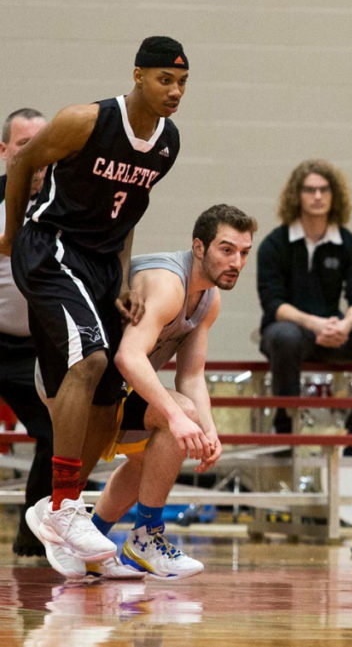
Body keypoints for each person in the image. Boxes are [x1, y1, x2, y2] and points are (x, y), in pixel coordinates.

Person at [1, 36, 197, 565]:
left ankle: (55, 506)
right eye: (165, 80)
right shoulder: (84, 120)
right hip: (51, 245)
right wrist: (11, 235)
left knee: (111, 389)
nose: (175, 91)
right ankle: (65, 504)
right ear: (138, 76)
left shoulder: (167, 143)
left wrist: (124, 276)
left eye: (182, 82)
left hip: (101, 261)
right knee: (87, 360)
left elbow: (128, 210)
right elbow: (22, 163)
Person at [40, 204, 257, 581]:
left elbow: (191, 375)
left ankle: (100, 546)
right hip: (74, 385)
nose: (236, 261)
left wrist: (209, 429)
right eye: (227, 249)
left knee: (154, 456)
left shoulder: (208, 299)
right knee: (177, 418)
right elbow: (128, 357)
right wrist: (178, 417)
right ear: (199, 247)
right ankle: (144, 537)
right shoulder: (166, 284)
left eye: (244, 252)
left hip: (114, 389)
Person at [257, 159, 352, 454]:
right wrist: (314, 323)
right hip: (292, 332)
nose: (317, 196)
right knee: (284, 336)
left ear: (334, 195)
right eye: (310, 190)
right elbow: (273, 303)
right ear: (297, 195)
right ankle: (286, 433)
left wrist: (344, 325)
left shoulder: (349, 244)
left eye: (324, 190)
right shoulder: (275, 243)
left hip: (335, 332)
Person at [0, 107, 54, 557]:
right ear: (4, 152)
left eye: (42, 146)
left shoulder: (65, 208)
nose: (34, 157)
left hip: (32, 349)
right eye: (23, 147)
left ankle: (33, 534)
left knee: (60, 431)